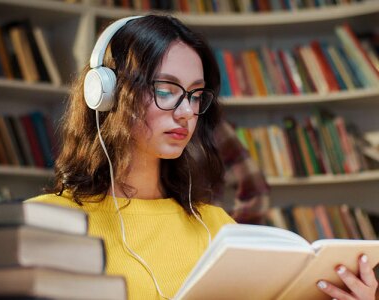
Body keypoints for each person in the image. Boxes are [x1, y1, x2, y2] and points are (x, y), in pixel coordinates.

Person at [27, 15, 378, 300]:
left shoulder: (217, 227)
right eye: (166, 90)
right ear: (108, 93)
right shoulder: (48, 222)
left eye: (196, 95)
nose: (186, 112)